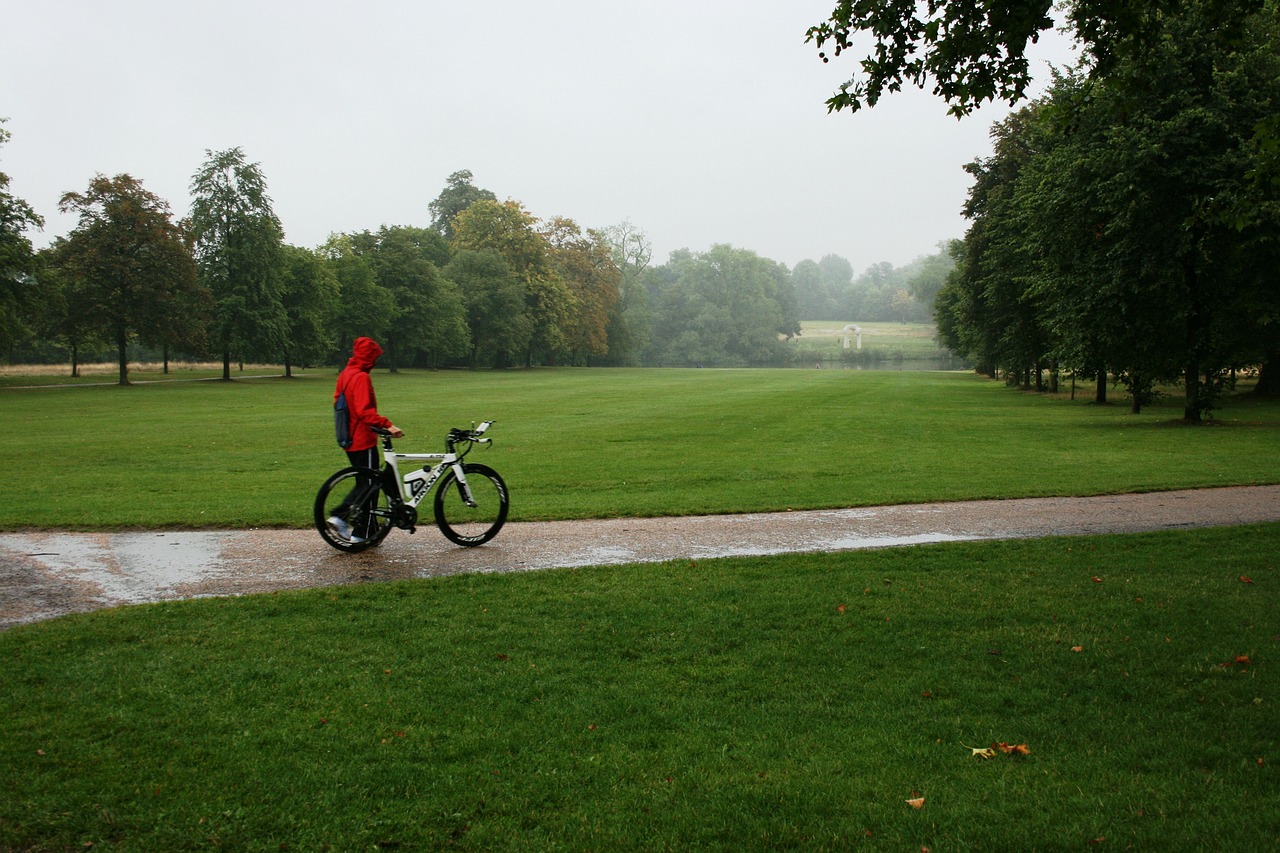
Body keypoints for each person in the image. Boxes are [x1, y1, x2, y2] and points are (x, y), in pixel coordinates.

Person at [328, 337, 404, 542]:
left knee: (367, 483)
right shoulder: (360, 377)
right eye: (374, 357)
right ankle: (343, 518)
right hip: (362, 438)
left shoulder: (346, 374)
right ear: (368, 357)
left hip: (348, 437)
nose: (376, 361)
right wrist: (388, 424)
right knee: (369, 485)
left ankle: (368, 531)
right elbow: (364, 411)